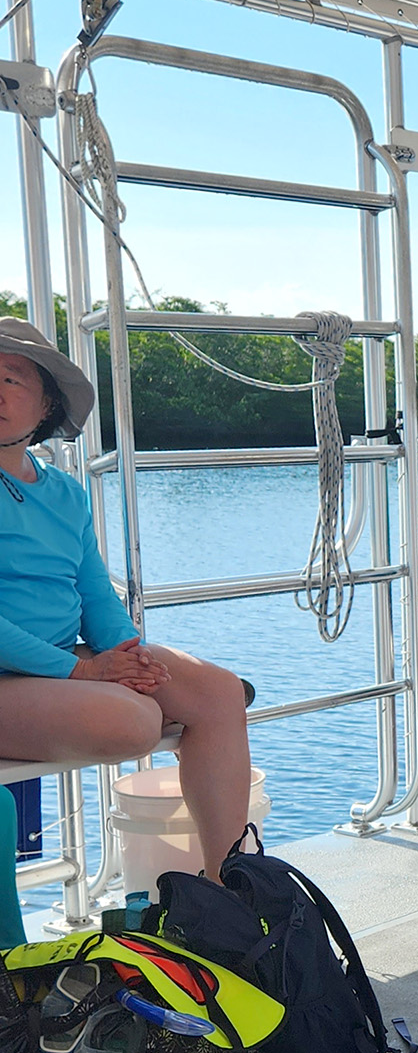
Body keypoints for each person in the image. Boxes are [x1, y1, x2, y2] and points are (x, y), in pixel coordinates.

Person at [0, 319, 251, 886]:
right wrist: (81, 670)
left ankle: (229, 888)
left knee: (218, 691)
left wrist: (126, 653)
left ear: (45, 407)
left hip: (66, 662)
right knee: (134, 722)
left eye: (13, 379)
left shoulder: (65, 491)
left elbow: (93, 591)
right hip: (26, 673)